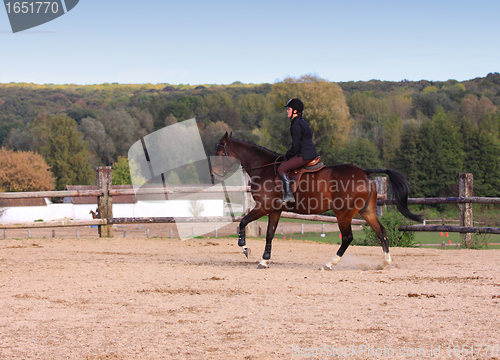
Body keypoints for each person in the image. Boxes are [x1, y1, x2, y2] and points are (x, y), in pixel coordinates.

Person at [277, 98, 319, 203]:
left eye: (289, 109)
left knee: (281, 169)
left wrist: (287, 156)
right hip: (310, 152)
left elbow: (295, 146)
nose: (287, 111)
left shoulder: (295, 125)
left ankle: (289, 195)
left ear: (295, 111)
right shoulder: (302, 122)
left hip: (304, 154)